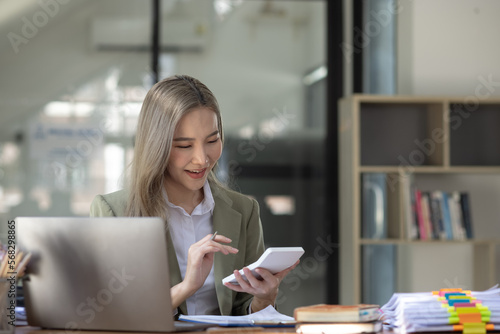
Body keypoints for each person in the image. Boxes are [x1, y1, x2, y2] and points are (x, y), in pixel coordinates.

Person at [90, 75, 298, 316]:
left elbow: (243, 310)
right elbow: (112, 314)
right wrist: (187, 287)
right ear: (156, 145)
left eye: (212, 140)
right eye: (184, 146)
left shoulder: (244, 211)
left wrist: (264, 299)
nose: (202, 159)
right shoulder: (113, 211)